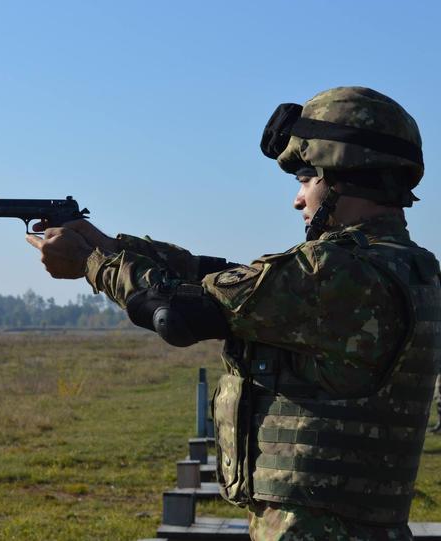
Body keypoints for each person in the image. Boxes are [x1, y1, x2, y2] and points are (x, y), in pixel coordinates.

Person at [26, 86, 441, 540]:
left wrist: (90, 263)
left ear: (344, 175)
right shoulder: (408, 268)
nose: (298, 199)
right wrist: (110, 246)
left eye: (307, 179)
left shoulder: (334, 272)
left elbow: (178, 312)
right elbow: (227, 281)